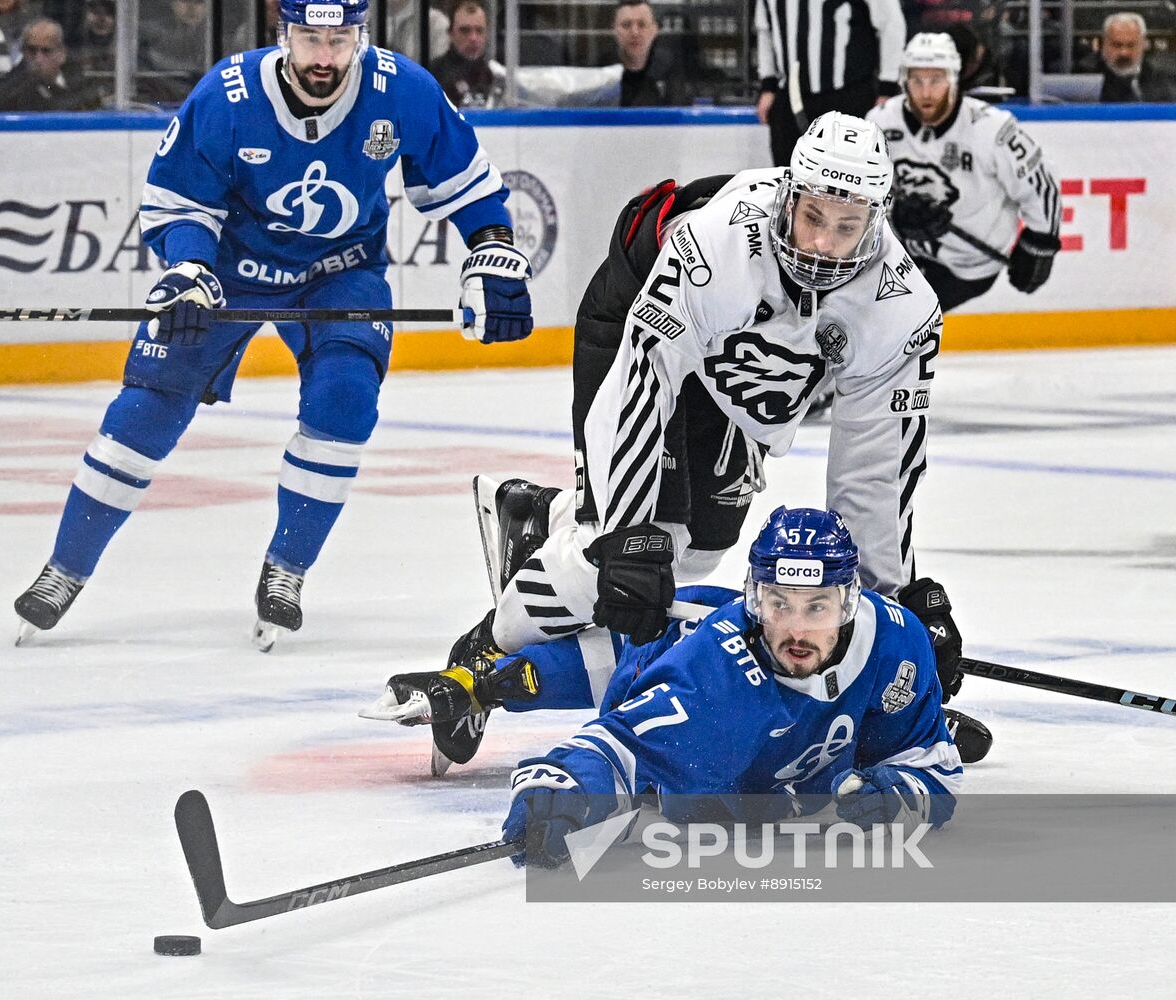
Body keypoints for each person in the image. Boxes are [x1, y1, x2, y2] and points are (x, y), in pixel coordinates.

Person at [387, 112, 980, 769]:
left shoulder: (900, 306)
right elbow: (645, 377)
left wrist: (883, 613)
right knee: (629, 548)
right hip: (635, 329)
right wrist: (627, 532)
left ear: (877, 221)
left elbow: (876, 467)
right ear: (788, 197)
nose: (822, 245)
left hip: (737, 373)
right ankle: (488, 644)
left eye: (847, 228)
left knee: (699, 553)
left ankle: (538, 520)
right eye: (812, 217)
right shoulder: (715, 243)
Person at [12, 0, 534, 651]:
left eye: (338, 40)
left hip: (342, 268)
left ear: (360, 37)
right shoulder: (228, 93)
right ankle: (64, 569)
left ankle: (286, 569)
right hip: (230, 268)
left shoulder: (400, 89)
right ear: (281, 33)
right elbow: (179, 198)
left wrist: (490, 248)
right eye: (308, 38)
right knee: (144, 408)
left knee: (344, 401)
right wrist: (187, 269)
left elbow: (466, 179)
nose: (322, 57)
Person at [369, 507, 964, 864]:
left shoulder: (896, 639)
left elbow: (932, 766)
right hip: (669, 657)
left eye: (817, 607)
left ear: (851, 603)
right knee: (583, 666)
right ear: (756, 601)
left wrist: (898, 791)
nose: (796, 629)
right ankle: (485, 675)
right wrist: (558, 791)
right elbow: (615, 745)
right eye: (778, 605)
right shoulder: (714, 678)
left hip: (749, 710)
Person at [867, 34, 1062, 310]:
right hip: (901, 252)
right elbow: (861, 194)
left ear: (954, 80)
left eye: (936, 80)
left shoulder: (991, 129)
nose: (925, 92)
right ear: (903, 80)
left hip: (967, 264)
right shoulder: (881, 122)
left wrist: (1039, 242)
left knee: (895, 316)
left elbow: (1041, 186)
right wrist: (894, 214)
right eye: (917, 80)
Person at [753, 0, 905, 168]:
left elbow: (891, 24)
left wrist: (887, 87)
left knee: (851, 177)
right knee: (791, 177)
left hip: (850, 95)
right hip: (789, 100)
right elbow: (765, 28)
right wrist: (768, 85)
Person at [0, 18, 101, 111]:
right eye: (32, 50)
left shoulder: (81, 84)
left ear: (61, 55)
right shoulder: (11, 88)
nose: (38, 58)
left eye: (46, 51)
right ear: (23, 51)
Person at [609, 0, 688, 107]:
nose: (634, 33)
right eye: (626, 25)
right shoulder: (601, 73)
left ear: (654, 30)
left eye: (641, 25)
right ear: (614, 30)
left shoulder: (669, 69)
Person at [428, 0, 504, 108]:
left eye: (479, 30)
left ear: (487, 34)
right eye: (465, 31)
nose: (473, 38)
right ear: (450, 33)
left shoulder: (496, 77)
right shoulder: (432, 75)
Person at [1096, 13, 1176, 104]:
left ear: (1143, 44)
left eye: (1131, 45)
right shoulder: (1087, 77)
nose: (1124, 53)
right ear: (1103, 45)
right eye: (1117, 45)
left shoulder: (1164, 81)